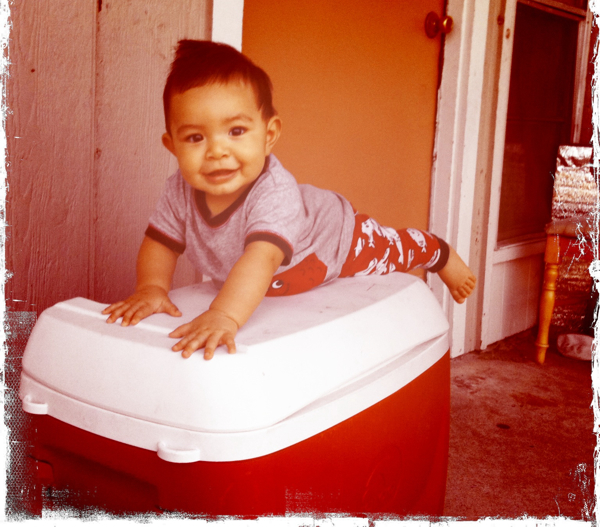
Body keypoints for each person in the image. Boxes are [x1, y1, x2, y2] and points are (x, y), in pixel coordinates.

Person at [103, 40, 476, 360]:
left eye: (236, 131)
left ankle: (436, 251)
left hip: (334, 241)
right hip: (281, 280)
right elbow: (160, 243)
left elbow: (261, 258)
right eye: (195, 138)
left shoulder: (274, 192)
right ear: (171, 146)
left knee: (390, 251)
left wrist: (224, 315)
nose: (217, 151)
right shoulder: (178, 192)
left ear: (269, 135)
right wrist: (152, 288)